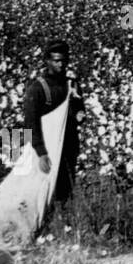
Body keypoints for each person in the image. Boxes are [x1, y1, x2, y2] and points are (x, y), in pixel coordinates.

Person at [22, 40, 85, 204]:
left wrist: (79, 114)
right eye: (57, 61)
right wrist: (41, 153)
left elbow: (79, 106)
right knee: (42, 192)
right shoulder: (37, 88)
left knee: (65, 189)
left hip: (68, 146)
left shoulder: (72, 84)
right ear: (47, 62)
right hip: (46, 149)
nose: (61, 64)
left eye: (64, 60)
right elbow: (31, 123)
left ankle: (64, 223)